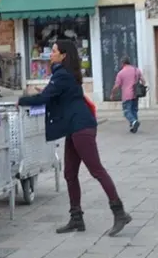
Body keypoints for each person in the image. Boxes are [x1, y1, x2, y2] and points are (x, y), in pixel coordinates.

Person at [17, 40, 131, 236]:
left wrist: (20, 101)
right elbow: (55, 96)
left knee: (96, 170)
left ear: (63, 56)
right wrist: (44, 94)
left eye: (53, 51)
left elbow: (44, 99)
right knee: (70, 173)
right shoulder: (65, 75)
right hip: (74, 127)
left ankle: (119, 212)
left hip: (81, 127)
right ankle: (76, 218)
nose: (50, 55)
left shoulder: (61, 75)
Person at [110, 56, 144, 133]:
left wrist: (112, 94)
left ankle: (134, 122)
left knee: (127, 112)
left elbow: (116, 86)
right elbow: (143, 81)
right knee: (134, 110)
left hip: (127, 95)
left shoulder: (121, 73)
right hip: (135, 94)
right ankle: (134, 126)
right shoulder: (136, 70)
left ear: (122, 63)